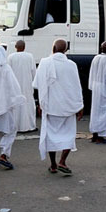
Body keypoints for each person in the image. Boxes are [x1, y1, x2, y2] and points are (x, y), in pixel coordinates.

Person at [32, 39, 83, 175]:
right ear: (66, 50)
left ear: (53, 48)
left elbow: (38, 84)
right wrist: (80, 105)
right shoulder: (71, 65)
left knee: (51, 136)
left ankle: (53, 164)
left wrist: (40, 103)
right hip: (68, 106)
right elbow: (76, 87)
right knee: (69, 135)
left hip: (51, 106)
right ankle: (62, 161)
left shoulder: (44, 63)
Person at [88, 42, 106, 144]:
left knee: (95, 112)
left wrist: (91, 86)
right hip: (104, 87)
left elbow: (91, 73)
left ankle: (95, 135)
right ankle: (101, 136)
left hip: (95, 87)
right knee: (104, 112)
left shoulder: (95, 58)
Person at [7, 40, 37, 133]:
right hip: (27, 85)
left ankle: (15, 126)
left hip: (14, 86)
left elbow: (8, 72)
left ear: (16, 47)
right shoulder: (30, 56)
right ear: (24, 47)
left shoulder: (11, 57)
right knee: (28, 105)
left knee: (16, 105)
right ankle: (30, 126)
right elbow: (33, 71)